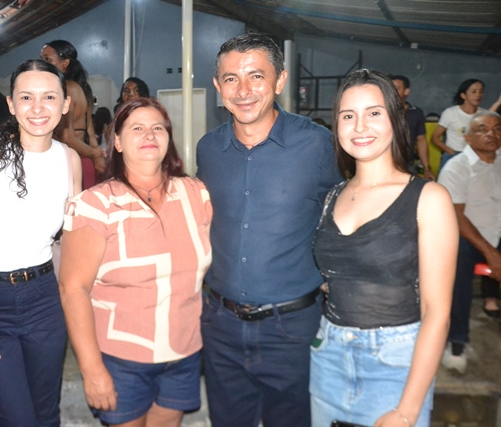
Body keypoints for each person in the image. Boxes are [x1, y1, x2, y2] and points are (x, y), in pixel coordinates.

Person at [196, 33, 342, 427]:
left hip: (292, 329)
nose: (243, 91)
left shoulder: (317, 145)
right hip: (221, 326)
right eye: (231, 79)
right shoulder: (208, 149)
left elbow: (343, 216)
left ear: (280, 80)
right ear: (217, 86)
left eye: (256, 76)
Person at [310, 69, 458, 427]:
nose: (360, 126)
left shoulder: (428, 198)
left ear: (395, 118)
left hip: (395, 362)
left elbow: (437, 313)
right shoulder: (332, 196)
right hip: (327, 354)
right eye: (348, 116)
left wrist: (406, 411)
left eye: (374, 113)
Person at [59, 97, 212, 426]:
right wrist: (91, 368)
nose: (149, 135)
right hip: (120, 359)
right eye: (137, 128)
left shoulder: (195, 194)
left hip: (183, 352)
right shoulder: (96, 204)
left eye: (158, 128)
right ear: (117, 141)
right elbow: (72, 289)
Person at [0, 59, 82, 427]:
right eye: (26, 97)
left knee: (46, 414)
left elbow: (66, 244)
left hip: (44, 298)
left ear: (65, 104)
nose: (38, 108)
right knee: (18, 419)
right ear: (11, 103)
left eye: (49, 97)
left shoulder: (69, 160)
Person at [438, 111, 501, 374]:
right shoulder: (457, 167)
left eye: (497, 128)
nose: (491, 134)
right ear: (467, 137)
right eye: (482, 129)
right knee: (456, 261)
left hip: (498, 233)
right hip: (469, 237)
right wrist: (491, 253)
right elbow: (456, 217)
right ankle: (456, 339)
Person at [41, 40, 105, 188]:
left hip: (69, 163)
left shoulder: (66, 90)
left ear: (65, 63)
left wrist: (95, 154)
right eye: (41, 59)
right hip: (84, 162)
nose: (42, 64)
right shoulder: (81, 88)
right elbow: (90, 132)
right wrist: (96, 156)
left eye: (48, 60)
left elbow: (67, 136)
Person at [432, 79, 487, 169]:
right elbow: (435, 138)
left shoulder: (484, 114)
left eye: (481, 92)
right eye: (474, 92)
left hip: (476, 156)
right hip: (453, 156)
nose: (478, 95)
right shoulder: (450, 112)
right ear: (463, 95)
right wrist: (451, 152)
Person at [390, 74, 435, 179]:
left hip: (407, 164)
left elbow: (421, 140)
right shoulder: (380, 111)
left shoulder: (416, 113)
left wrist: (426, 168)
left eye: (396, 88)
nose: (392, 92)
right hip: (382, 164)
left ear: (406, 91)